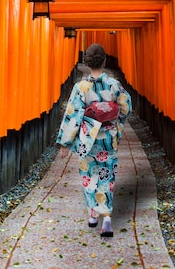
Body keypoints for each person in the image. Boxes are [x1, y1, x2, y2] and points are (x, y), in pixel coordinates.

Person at [56, 43, 132, 238]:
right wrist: (116, 125)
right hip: (108, 137)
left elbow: (73, 114)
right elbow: (126, 107)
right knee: (107, 175)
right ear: (105, 61)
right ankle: (106, 218)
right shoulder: (114, 85)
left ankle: (92, 214)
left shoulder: (81, 87)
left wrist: (65, 142)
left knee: (89, 175)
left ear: (87, 63)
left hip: (87, 137)